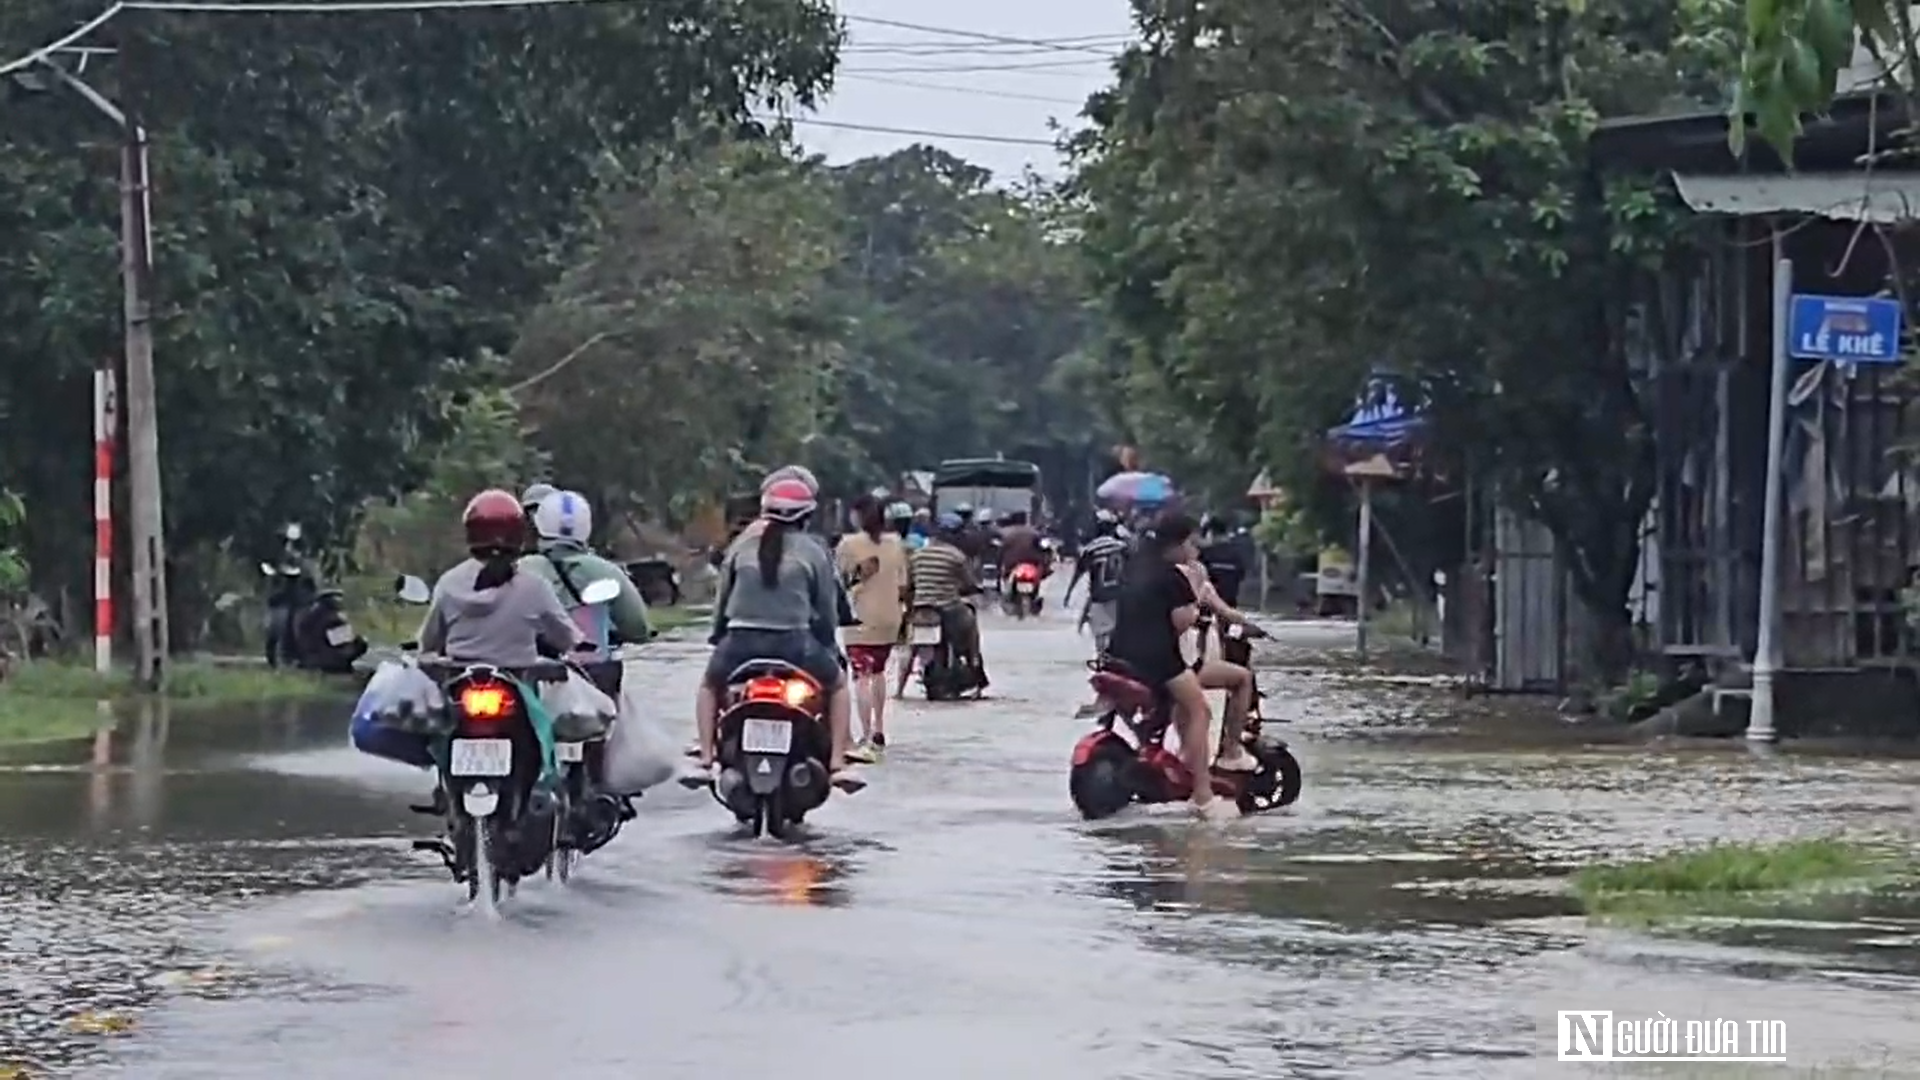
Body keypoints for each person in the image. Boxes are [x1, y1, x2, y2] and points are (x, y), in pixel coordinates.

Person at [690, 474, 862, 790]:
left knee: (710, 685)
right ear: (806, 516)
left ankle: (704, 755)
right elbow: (826, 610)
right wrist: (826, 644)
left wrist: (718, 638)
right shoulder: (814, 551)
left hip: (740, 643)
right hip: (795, 644)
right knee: (837, 686)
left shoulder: (741, 547)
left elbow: (722, 602)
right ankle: (838, 761)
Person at [1102, 512, 1248, 821]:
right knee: (1199, 711)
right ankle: (1203, 796)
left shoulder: (1134, 566)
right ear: (1178, 544)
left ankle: (1169, 766)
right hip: (1157, 659)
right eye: (1191, 542)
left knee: (1181, 707)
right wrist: (1195, 601)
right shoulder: (1173, 576)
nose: (1195, 548)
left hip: (1118, 654)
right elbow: (1181, 622)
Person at [417, 490, 584, 666]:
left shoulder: (449, 582)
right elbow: (567, 638)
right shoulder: (534, 586)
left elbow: (429, 642)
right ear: (518, 534)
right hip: (519, 677)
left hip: (460, 677)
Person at [836, 494, 909, 757]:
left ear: (858, 515)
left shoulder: (848, 544)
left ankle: (866, 734)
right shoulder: (895, 543)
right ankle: (879, 728)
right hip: (890, 617)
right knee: (878, 672)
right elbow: (903, 584)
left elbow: (840, 580)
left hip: (859, 618)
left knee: (861, 675)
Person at [899, 512, 986, 698]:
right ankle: (976, 670)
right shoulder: (956, 556)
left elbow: (907, 585)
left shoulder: (917, 555)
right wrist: (974, 588)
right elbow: (969, 582)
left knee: (911, 649)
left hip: (921, 610)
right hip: (949, 609)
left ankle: (899, 689)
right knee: (971, 628)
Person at [1066, 509, 1129, 655]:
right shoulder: (1123, 547)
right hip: (1122, 597)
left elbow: (1078, 573)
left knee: (1100, 637)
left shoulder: (1090, 549)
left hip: (1099, 597)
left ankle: (1102, 659)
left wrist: (1069, 593)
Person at [996, 510, 1045, 581]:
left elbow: (1000, 550)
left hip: (1012, 562)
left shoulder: (1005, 532)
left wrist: (999, 566)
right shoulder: (1034, 532)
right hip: (1032, 560)